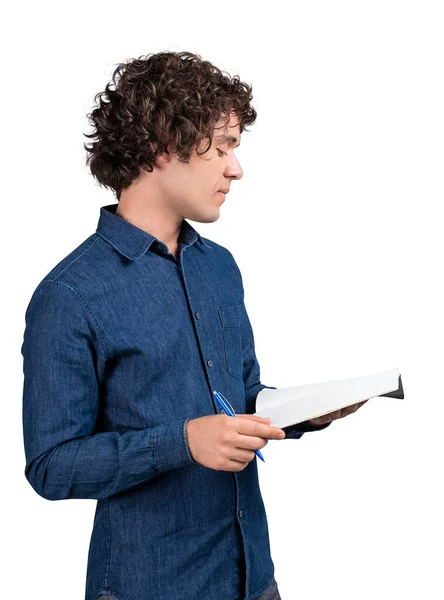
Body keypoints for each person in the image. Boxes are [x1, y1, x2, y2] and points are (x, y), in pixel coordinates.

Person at [21, 50, 367, 600]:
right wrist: (182, 442)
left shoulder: (219, 267)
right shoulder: (68, 296)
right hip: (148, 587)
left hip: (253, 580)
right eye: (224, 146)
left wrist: (299, 410)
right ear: (163, 146)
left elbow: (242, 397)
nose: (236, 168)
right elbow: (51, 466)